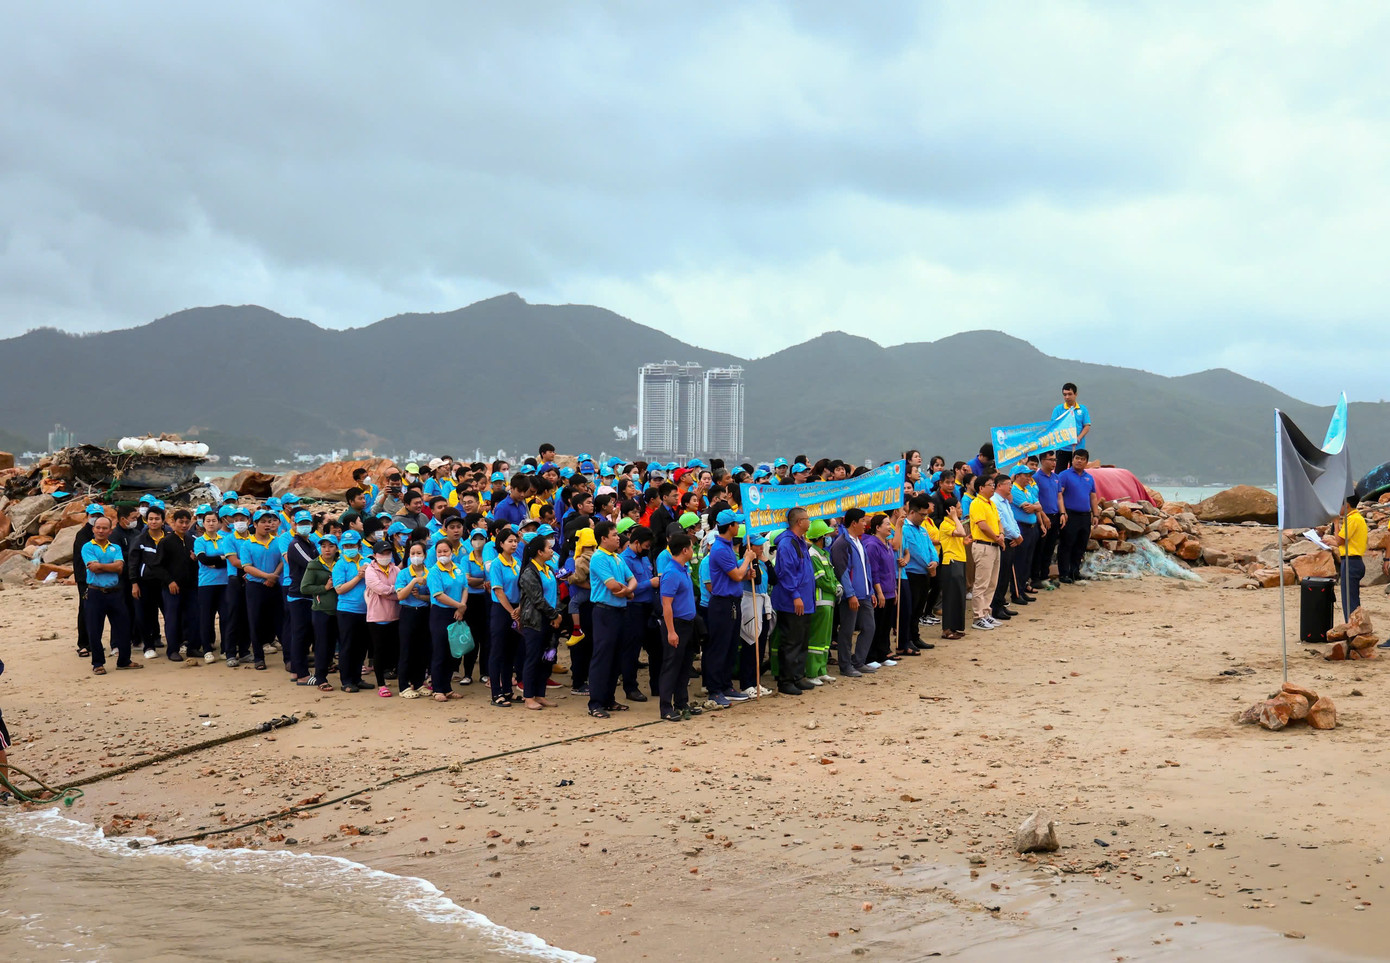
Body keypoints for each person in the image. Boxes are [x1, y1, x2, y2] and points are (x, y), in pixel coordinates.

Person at [704, 509, 757, 705]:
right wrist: (747, 560)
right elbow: (735, 574)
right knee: (719, 647)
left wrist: (746, 571)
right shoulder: (719, 549)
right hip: (722, 604)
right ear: (730, 526)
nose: (739, 527)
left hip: (733, 602)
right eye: (737, 524)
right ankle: (714, 688)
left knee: (731, 646)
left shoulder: (726, 547)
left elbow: (737, 574)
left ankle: (726, 685)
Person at [586, 519, 636, 718]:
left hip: (620, 610)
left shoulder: (618, 557)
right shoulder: (599, 558)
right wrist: (628, 592)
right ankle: (595, 702)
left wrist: (628, 592)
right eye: (614, 535)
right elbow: (613, 586)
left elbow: (633, 581)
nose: (618, 538)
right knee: (602, 656)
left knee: (616, 657)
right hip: (604, 611)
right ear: (603, 538)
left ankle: (608, 698)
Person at [81, 515, 138, 674]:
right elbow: (93, 568)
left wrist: (101, 565)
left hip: (115, 593)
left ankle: (124, 660)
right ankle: (98, 663)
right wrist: (110, 566)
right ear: (93, 529)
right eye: (98, 527)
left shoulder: (115, 547)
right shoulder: (88, 547)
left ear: (110, 530)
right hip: (95, 593)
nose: (101, 530)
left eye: (104, 528)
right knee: (95, 630)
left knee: (123, 628)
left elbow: (120, 568)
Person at [770, 507, 816, 695]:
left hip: (805, 599)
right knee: (791, 641)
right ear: (799, 522)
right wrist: (796, 595)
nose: (809, 521)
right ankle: (786, 680)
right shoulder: (788, 544)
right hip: (792, 601)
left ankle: (798, 675)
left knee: (802, 639)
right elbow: (787, 572)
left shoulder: (801, 542)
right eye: (807, 518)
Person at [147, 507, 199, 662]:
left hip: (190, 587)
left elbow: (195, 564)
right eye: (180, 522)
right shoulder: (166, 542)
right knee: (172, 619)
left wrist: (194, 560)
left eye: (186, 522)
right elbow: (156, 565)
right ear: (173, 523)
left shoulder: (191, 540)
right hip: (172, 588)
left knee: (193, 617)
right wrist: (169, 581)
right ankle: (173, 650)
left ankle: (193, 647)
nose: (184, 525)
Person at [657, 532, 700, 721]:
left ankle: (681, 703)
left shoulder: (683, 569)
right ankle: (666, 707)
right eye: (691, 547)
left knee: (684, 665)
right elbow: (666, 605)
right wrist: (671, 631)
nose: (692, 550)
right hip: (676, 625)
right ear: (684, 550)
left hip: (688, 624)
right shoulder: (671, 573)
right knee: (671, 666)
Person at [830, 508, 877, 677]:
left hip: (864, 593)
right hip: (852, 596)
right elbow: (842, 571)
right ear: (854, 523)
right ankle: (845, 665)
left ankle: (858, 661)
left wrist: (870, 590)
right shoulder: (841, 543)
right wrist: (850, 594)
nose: (866, 524)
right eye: (863, 521)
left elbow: (867, 568)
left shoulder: (859, 541)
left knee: (869, 627)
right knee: (847, 631)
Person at [517, 535, 561, 710]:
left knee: (546, 658)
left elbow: (555, 594)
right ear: (539, 552)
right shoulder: (529, 573)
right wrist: (553, 615)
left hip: (550, 618)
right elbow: (537, 599)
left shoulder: (548, 569)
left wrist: (556, 613)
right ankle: (528, 696)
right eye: (548, 548)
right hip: (535, 620)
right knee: (533, 658)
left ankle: (540, 694)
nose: (552, 550)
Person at [239, 510, 284, 670]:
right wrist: (267, 576)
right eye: (263, 522)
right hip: (255, 587)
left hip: (275, 585)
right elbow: (247, 567)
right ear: (255, 524)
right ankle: (259, 657)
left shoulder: (278, 541)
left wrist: (274, 576)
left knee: (280, 621)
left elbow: (282, 561)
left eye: (269, 521)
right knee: (256, 621)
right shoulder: (247, 544)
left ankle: (289, 658)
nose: (267, 524)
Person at [618, 526, 659, 702]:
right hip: (633, 608)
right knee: (631, 650)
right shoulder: (623, 560)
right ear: (636, 543)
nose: (648, 549)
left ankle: (657, 685)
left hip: (649, 608)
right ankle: (630, 687)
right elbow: (626, 589)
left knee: (656, 648)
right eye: (646, 545)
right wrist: (650, 583)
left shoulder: (644, 558)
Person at [425, 537, 468, 702]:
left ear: (451, 552)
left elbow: (465, 587)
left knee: (454, 653)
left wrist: (461, 606)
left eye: (445, 551)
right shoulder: (434, 571)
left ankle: (447, 687)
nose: (443, 554)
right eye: (439, 552)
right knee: (440, 652)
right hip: (440, 614)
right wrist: (459, 605)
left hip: (457, 613)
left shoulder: (458, 568)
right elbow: (438, 595)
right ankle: (437, 689)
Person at [487, 529, 524, 707]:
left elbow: (523, 586)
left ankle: (508, 690)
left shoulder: (517, 562)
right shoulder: (496, 564)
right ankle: (496, 693)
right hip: (502, 610)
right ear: (501, 544)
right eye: (510, 541)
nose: (514, 544)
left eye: (515, 541)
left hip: (517, 608)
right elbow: (498, 590)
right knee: (497, 651)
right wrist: (511, 611)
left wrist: (519, 609)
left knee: (511, 651)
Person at [127, 502, 169, 659]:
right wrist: (134, 583)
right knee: (145, 616)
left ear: (163, 521)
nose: (153, 522)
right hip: (145, 584)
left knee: (170, 614)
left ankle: (174, 644)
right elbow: (133, 563)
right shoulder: (140, 540)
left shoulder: (169, 538)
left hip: (165, 583)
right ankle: (148, 646)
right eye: (150, 519)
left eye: (157, 519)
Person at [281, 510, 318, 682]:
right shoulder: (295, 544)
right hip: (299, 594)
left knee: (304, 633)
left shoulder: (309, 543)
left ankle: (297, 671)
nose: (304, 526)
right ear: (294, 525)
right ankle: (301, 674)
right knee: (300, 634)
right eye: (301, 523)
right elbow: (312, 565)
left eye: (307, 523)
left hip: (307, 594)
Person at [299, 534, 339, 691]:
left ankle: (330, 668)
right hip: (321, 610)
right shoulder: (314, 565)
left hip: (340, 610)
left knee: (334, 645)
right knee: (322, 644)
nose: (327, 550)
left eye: (330, 546)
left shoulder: (341, 563)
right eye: (323, 546)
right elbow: (305, 588)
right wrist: (324, 588)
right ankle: (320, 677)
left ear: (336, 548)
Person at [194, 508, 234, 664]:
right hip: (206, 584)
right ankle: (207, 650)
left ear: (219, 522)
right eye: (208, 521)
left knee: (225, 617)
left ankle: (225, 649)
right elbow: (204, 560)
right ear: (203, 523)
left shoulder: (226, 539)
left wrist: (216, 561)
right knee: (206, 618)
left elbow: (230, 559)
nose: (211, 523)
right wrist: (221, 559)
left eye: (214, 521)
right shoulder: (199, 541)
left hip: (225, 583)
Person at [393, 540, 433, 697]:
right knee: (406, 649)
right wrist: (415, 580)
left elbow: (434, 596)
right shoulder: (403, 574)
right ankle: (403, 686)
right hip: (408, 613)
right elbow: (401, 595)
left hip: (424, 613)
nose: (416, 556)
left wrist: (422, 596)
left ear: (425, 555)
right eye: (412, 553)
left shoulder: (430, 573)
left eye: (419, 553)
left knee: (422, 650)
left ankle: (418, 682)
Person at [331, 530, 370, 691]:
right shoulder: (340, 564)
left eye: (352, 545)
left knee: (362, 646)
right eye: (346, 545)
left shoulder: (367, 561)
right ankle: (346, 681)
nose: (349, 548)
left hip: (365, 610)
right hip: (347, 610)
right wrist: (358, 577)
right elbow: (339, 589)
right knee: (347, 646)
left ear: (359, 546)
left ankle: (357, 677)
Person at [900, 496, 939, 653]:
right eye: (922, 515)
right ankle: (907, 638)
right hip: (912, 573)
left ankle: (915, 636)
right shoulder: (904, 529)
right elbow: (914, 551)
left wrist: (934, 561)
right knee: (911, 607)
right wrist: (927, 564)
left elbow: (930, 547)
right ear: (912, 512)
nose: (924, 518)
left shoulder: (922, 530)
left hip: (924, 572)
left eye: (925, 515)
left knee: (919, 608)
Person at [363, 540, 402, 697]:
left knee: (395, 649)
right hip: (377, 617)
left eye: (388, 553)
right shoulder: (370, 570)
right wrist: (394, 591)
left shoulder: (396, 570)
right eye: (382, 553)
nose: (385, 556)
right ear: (375, 555)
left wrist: (392, 592)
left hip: (395, 615)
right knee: (379, 650)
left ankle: (397, 678)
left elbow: (400, 590)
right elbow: (379, 588)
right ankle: (381, 684)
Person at [1056, 448, 1100, 583]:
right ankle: (1063, 574)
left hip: (1085, 516)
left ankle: (1075, 571)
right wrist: (1062, 513)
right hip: (1070, 515)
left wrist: (1096, 514)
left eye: (1082, 459)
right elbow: (1059, 495)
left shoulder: (1089, 477)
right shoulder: (1064, 475)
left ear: (1086, 462)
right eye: (1077, 458)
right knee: (1066, 544)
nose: (1079, 461)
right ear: (1073, 459)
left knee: (1080, 545)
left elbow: (1093, 497)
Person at [863, 514, 900, 669]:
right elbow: (874, 571)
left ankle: (883, 653)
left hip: (890, 591)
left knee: (885, 625)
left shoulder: (887, 544)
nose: (889, 526)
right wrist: (879, 592)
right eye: (886, 524)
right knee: (876, 624)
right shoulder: (872, 545)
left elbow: (891, 569)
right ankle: (870, 655)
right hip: (881, 592)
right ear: (877, 527)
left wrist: (895, 590)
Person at [968, 475, 1005, 630]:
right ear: (981, 488)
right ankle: (978, 616)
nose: (993, 487)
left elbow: (998, 521)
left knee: (992, 582)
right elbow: (982, 525)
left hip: (994, 545)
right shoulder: (977, 503)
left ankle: (986, 612)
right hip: (983, 545)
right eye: (990, 485)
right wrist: (997, 538)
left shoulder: (991, 503)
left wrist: (1001, 535)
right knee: (981, 583)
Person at [1327, 494, 1368, 621]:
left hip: (1351, 562)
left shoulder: (1352, 519)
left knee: (1349, 600)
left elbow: (1339, 540)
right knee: (1351, 597)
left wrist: (1335, 522)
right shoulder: (1354, 518)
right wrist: (1328, 542)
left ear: (1347, 505)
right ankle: (1354, 625)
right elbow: (1345, 542)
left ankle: (1352, 627)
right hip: (1353, 560)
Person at [72, 504, 105, 658]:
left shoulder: (102, 533)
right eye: (93, 515)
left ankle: (94, 642)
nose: (95, 518)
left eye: (99, 515)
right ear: (87, 517)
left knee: (98, 611)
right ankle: (83, 644)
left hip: (100, 578)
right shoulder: (82, 535)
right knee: (85, 610)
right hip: (85, 578)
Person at [989, 474, 1022, 623]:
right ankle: (996, 607)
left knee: (1007, 573)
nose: (1011, 487)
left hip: (1011, 540)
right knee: (1000, 575)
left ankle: (1001, 603)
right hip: (1003, 540)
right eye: (1008, 484)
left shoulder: (1005, 501)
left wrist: (1018, 535)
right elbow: (1002, 522)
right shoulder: (995, 501)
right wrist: (1015, 535)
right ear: (999, 486)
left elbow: (1012, 519)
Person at [1008, 466, 1042, 604]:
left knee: (1027, 560)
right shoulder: (1015, 490)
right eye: (1026, 475)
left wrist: (1036, 507)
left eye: (1030, 475)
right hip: (1021, 527)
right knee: (1019, 562)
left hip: (1031, 528)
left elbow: (1039, 505)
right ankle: (1016, 593)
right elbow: (1027, 508)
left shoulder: (1027, 490)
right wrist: (1035, 507)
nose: (1029, 478)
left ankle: (1022, 589)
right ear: (1017, 476)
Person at [936, 503, 968, 639]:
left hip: (959, 559)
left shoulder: (954, 523)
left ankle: (955, 627)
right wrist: (955, 518)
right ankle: (947, 629)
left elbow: (960, 537)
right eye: (958, 508)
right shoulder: (946, 524)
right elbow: (962, 532)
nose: (961, 510)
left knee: (959, 595)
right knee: (950, 597)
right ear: (950, 510)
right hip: (950, 561)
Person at [1031, 451, 1063, 589]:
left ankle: (1045, 575)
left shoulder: (1056, 477)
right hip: (1043, 517)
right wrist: (1043, 516)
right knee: (1040, 548)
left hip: (1056, 516)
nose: (1054, 462)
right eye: (1050, 459)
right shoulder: (1036, 477)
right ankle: (1035, 577)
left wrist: (1063, 512)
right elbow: (1035, 500)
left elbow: (1059, 496)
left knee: (1050, 548)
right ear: (1042, 460)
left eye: (1055, 459)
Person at [1053, 382, 1093, 471]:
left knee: (1076, 473)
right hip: (1062, 447)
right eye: (1065, 394)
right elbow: (1054, 427)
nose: (1067, 397)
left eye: (1069, 394)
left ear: (1075, 394)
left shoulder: (1082, 409)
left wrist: (1078, 438)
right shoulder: (1058, 409)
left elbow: (1087, 426)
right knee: (1059, 473)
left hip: (1078, 448)